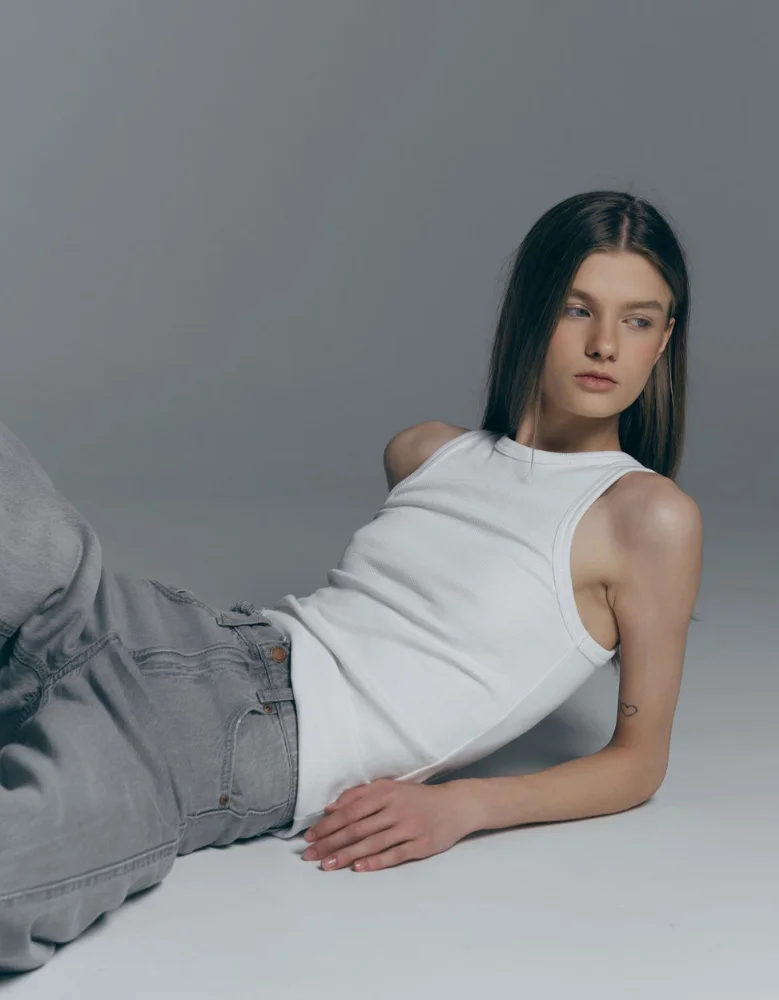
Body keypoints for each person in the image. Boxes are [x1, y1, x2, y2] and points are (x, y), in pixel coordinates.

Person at [0, 189, 702, 972]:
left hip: (220, 749)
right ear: (533, 310)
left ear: (664, 339)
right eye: (578, 309)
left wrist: (463, 805)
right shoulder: (427, 451)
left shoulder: (646, 518)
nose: (604, 344)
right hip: (164, 629)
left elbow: (638, 760)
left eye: (637, 320)